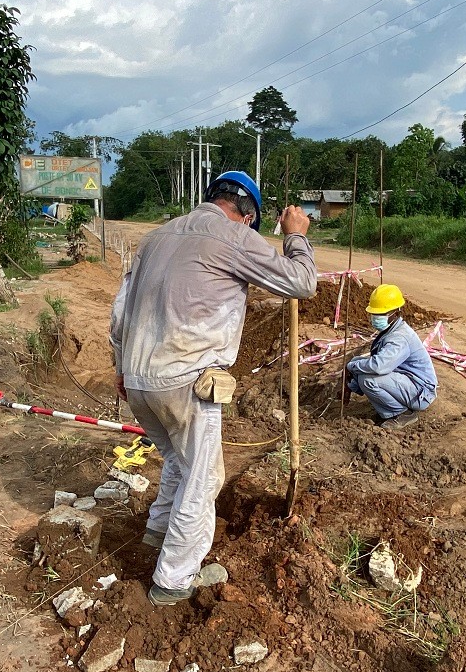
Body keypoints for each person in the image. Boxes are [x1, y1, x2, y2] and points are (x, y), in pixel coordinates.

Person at [110, 171, 316, 606]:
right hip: (185, 382)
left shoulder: (155, 238)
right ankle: (172, 579)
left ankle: (156, 530)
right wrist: (296, 237)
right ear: (247, 216)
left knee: (176, 460)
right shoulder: (234, 237)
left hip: (139, 379)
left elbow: (120, 312)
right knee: (203, 478)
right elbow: (301, 282)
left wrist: (121, 370)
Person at [344, 283, 437, 429]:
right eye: (374, 314)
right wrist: (351, 383)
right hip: (408, 381)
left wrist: (352, 367)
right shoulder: (392, 330)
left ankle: (402, 414)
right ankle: (389, 407)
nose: (375, 318)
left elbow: (379, 366)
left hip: (420, 392)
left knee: (368, 378)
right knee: (358, 363)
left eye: (381, 314)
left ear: (396, 313)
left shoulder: (399, 338)